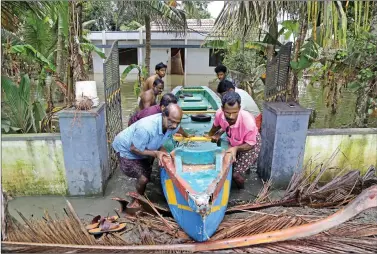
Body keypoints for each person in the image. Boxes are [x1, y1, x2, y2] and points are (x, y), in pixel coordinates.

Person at [112, 104, 183, 209]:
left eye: (177, 122)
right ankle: (137, 200)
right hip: (126, 149)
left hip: (143, 144)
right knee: (144, 178)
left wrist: (188, 136)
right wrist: (156, 153)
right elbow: (134, 148)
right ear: (163, 115)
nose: (174, 126)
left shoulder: (172, 125)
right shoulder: (147, 127)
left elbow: (173, 132)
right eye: (171, 121)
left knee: (147, 168)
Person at [206, 91, 261, 189]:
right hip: (235, 138)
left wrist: (235, 148)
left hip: (249, 144)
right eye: (228, 113)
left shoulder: (248, 122)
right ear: (222, 109)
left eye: (235, 112)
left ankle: (241, 190)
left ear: (239, 108)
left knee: (235, 174)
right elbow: (216, 125)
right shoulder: (219, 114)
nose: (231, 117)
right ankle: (244, 168)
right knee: (232, 162)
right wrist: (210, 135)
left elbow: (251, 144)